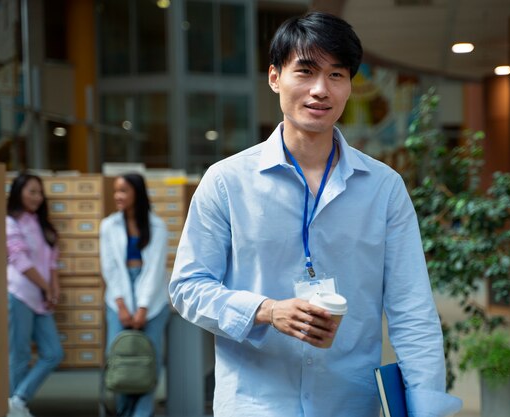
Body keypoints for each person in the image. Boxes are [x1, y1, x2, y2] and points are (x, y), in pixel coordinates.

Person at [169, 11, 462, 417]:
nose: (320, 90)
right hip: (255, 403)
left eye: (336, 75)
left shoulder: (384, 188)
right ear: (275, 78)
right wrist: (267, 310)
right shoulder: (226, 181)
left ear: (349, 85)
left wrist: (425, 408)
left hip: (349, 402)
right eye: (305, 71)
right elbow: (187, 286)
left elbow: (412, 308)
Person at [100, 173, 170, 417]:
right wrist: (121, 306)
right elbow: (109, 267)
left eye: (124, 191)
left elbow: (154, 271)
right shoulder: (108, 225)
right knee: (119, 358)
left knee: (147, 361)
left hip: (153, 300)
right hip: (118, 297)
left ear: (137, 194)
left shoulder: (158, 226)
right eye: (116, 191)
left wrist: (142, 309)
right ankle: (124, 411)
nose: (118, 196)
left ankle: (141, 413)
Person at [6, 173, 64, 417]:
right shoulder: (10, 222)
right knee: (18, 354)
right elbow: (19, 260)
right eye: (32, 191)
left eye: (40, 193)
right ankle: (14, 407)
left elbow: (51, 260)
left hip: (40, 298)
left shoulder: (42, 224)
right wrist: (46, 287)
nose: (37, 197)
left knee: (53, 353)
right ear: (18, 192)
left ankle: (17, 400)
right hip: (19, 293)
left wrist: (54, 287)